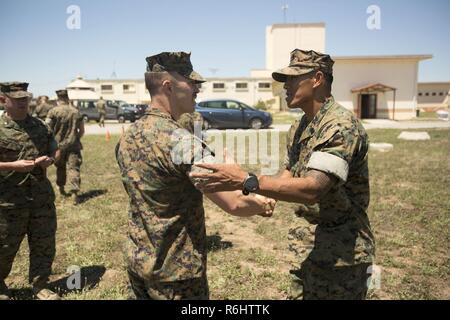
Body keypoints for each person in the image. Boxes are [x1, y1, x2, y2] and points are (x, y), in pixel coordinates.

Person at [190, 49, 376, 300]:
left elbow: (313, 189)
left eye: (293, 79)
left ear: (318, 79)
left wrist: (246, 180)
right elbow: (290, 172)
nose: (285, 86)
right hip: (308, 247)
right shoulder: (301, 125)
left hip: (343, 256)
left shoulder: (339, 127)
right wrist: (266, 198)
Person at [115, 51, 275, 300]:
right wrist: (259, 202)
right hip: (177, 274)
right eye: (190, 82)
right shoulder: (182, 143)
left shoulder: (128, 136)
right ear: (168, 86)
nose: (197, 88)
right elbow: (234, 203)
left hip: (138, 262)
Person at [0, 82, 60, 300]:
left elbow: (55, 147)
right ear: (3, 100)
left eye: (25, 98)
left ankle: (40, 285)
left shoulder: (40, 126)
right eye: (17, 99)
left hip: (40, 198)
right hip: (8, 202)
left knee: (43, 244)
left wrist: (51, 159)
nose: (23, 103)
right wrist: (12, 166)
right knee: (4, 245)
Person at [46, 89, 84, 205]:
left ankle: (61, 189)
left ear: (58, 99)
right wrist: (75, 138)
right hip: (73, 145)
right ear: (67, 98)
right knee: (73, 168)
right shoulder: (76, 112)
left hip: (58, 146)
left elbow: (47, 128)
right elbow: (81, 130)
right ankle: (74, 193)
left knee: (60, 167)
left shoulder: (53, 111)